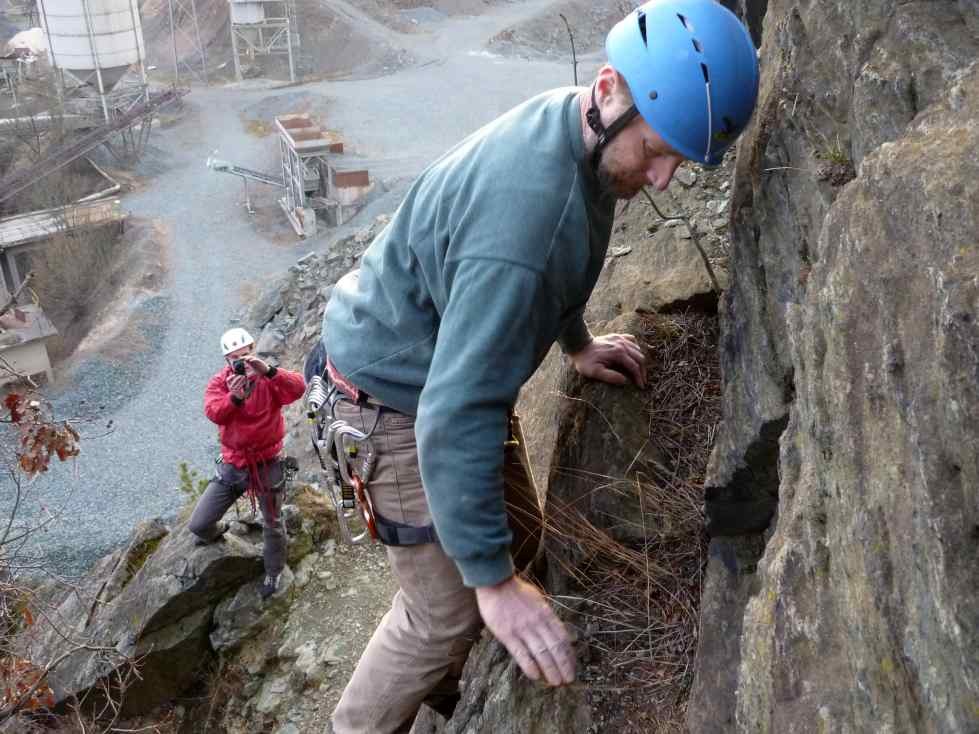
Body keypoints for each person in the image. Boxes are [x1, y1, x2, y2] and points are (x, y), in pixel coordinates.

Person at [313, 0, 759, 730]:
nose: (663, 178)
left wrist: (577, 342)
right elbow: (454, 412)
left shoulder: (576, 128)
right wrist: (489, 586)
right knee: (444, 610)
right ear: (611, 88)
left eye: (679, 155)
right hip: (389, 401)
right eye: (656, 150)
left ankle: (454, 688)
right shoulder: (523, 225)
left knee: (515, 547)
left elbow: (565, 249)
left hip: (423, 360)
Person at [189, 327, 306, 600]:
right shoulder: (220, 383)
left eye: (247, 355)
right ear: (227, 361)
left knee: (273, 522)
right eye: (235, 359)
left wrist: (270, 371)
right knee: (199, 525)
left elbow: (299, 388)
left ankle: (274, 571)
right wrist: (235, 398)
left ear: (254, 351)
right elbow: (213, 412)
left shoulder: (269, 379)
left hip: (268, 462)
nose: (242, 363)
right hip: (234, 463)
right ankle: (218, 531)